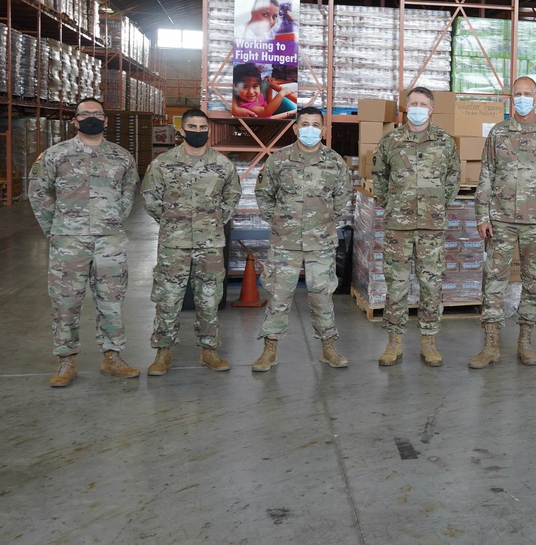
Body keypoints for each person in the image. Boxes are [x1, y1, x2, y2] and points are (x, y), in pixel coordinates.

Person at [27, 98, 140, 387]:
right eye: (85, 114)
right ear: (75, 121)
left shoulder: (122, 157)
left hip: (109, 241)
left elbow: (129, 192)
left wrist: (114, 220)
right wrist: (56, 231)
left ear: (105, 120)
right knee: (66, 302)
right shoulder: (55, 155)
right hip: (69, 242)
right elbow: (39, 193)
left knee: (111, 301)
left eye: (97, 113)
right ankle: (66, 361)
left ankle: (112, 356)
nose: (92, 117)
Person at [470, 76, 536, 368]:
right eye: (518, 94)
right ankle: (490, 345)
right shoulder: (499, 133)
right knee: (494, 282)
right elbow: (486, 174)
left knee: (533, 282)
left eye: (528, 94)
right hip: (500, 221)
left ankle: (525, 340)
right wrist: (482, 215)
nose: (523, 98)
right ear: (510, 99)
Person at [251, 107, 353, 372]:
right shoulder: (279, 160)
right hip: (285, 243)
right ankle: (269, 350)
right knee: (279, 296)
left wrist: (328, 218)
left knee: (322, 296)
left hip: (321, 242)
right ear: (296, 129)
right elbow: (263, 193)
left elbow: (343, 196)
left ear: (324, 129)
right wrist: (278, 221)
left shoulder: (335, 162)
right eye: (305, 124)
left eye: (316, 124)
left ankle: (328, 347)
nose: (310, 128)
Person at [141, 108, 241, 375]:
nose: (198, 132)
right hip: (174, 244)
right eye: (192, 128)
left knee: (209, 298)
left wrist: (213, 222)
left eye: (202, 128)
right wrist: (174, 223)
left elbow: (232, 198)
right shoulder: (162, 163)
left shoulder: (222, 165)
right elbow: (151, 199)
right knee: (168, 298)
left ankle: (209, 350)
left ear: (208, 130)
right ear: (182, 131)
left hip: (210, 244)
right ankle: (163, 352)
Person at [371, 87, 460, 367]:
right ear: (405, 107)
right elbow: (379, 177)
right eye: (413, 103)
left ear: (431, 108)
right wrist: (392, 205)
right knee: (396, 285)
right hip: (398, 226)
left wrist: (437, 205)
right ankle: (394, 342)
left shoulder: (445, 142)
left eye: (423, 104)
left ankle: (429, 341)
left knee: (430, 285)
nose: (418, 107)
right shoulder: (391, 141)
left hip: (431, 228)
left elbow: (453, 179)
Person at [232, 62, 297, 119]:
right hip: (266, 127)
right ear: (236, 88)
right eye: (245, 87)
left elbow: (268, 99)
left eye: (255, 86)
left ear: (260, 85)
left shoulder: (259, 95)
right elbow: (265, 111)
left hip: (271, 118)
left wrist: (269, 82)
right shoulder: (245, 105)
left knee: (294, 112)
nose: (251, 92)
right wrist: (281, 93)